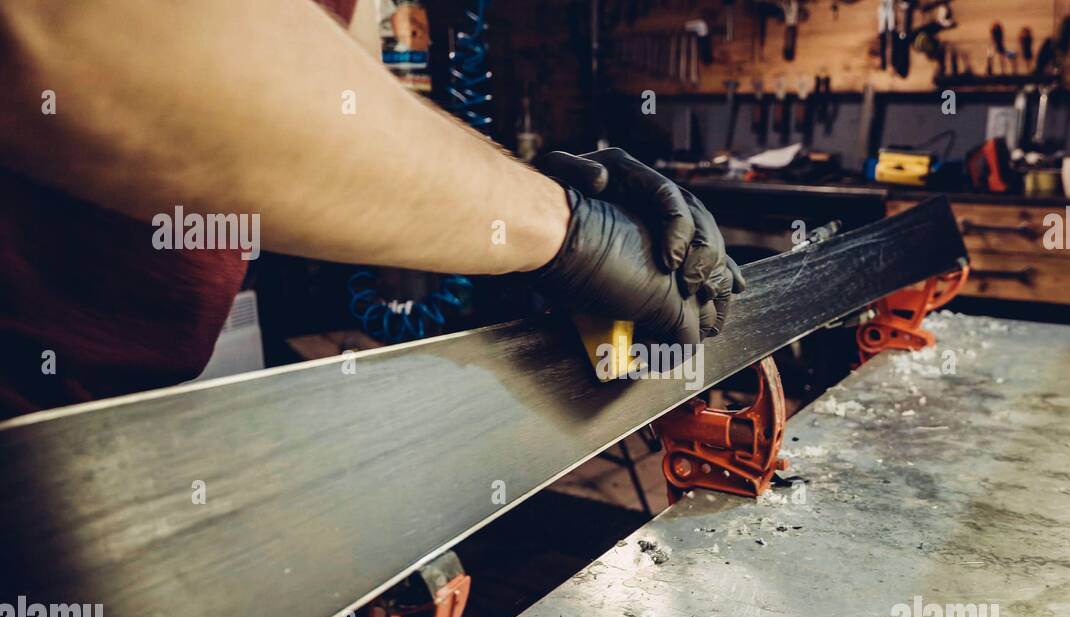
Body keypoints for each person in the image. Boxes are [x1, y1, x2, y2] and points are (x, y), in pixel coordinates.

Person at [0, 0, 741, 419]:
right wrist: (561, 229)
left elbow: (343, 102)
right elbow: (81, 35)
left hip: (94, 424)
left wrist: (544, 197)